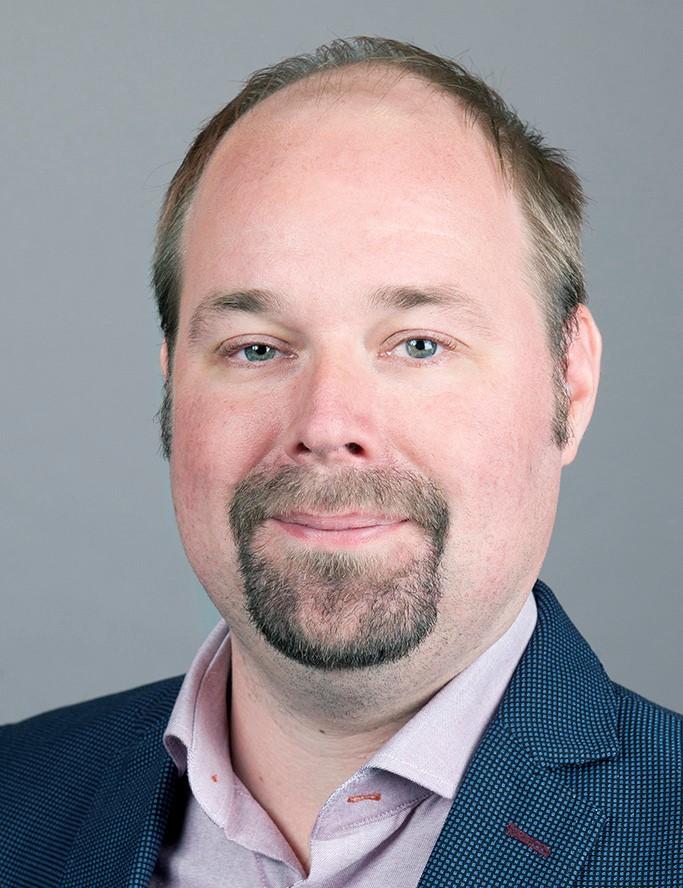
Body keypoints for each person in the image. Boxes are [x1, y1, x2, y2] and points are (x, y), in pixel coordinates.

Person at [1, 35, 680, 888]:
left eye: (419, 344)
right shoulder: (15, 803)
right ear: (172, 382)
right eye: (256, 348)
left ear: (569, 383)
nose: (327, 425)